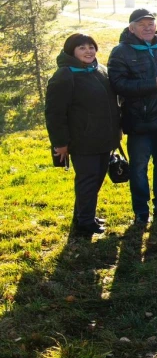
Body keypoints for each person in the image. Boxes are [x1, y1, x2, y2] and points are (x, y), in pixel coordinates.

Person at [108, 9, 157, 225]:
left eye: (151, 23)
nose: (148, 27)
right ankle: (141, 212)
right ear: (131, 28)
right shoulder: (121, 52)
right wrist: (152, 84)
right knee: (138, 168)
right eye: (142, 24)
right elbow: (118, 85)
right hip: (139, 122)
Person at [45, 34, 121, 236]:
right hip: (82, 141)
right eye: (82, 48)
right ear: (72, 51)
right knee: (87, 180)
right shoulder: (65, 75)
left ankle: (84, 215)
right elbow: (55, 113)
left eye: (91, 47)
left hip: (104, 139)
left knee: (96, 180)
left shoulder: (100, 71)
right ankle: (85, 223)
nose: (88, 51)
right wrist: (60, 144)